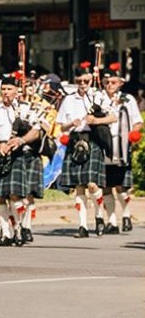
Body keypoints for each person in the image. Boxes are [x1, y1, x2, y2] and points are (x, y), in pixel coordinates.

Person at [0, 76, 40, 245]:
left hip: (17, 153)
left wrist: (21, 141)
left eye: (9, 89)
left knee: (15, 195)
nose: (5, 92)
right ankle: (5, 233)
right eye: (3, 89)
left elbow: (36, 131)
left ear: (17, 91)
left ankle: (18, 229)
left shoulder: (25, 109)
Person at [57, 64, 115, 238]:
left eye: (86, 81)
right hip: (75, 141)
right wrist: (70, 124)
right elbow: (61, 126)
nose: (82, 84)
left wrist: (95, 121)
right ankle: (82, 225)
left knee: (92, 184)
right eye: (79, 81)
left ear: (91, 80)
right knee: (79, 186)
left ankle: (98, 216)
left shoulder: (98, 96)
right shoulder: (69, 100)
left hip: (93, 140)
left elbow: (113, 117)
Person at [100, 67, 142, 233]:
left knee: (120, 185)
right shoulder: (99, 98)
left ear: (120, 83)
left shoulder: (128, 99)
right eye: (107, 82)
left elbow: (137, 122)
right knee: (105, 185)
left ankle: (126, 215)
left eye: (113, 82)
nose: (110, 85)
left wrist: (133, 136)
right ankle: (112, 221)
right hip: (103, 146)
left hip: (121, 147)